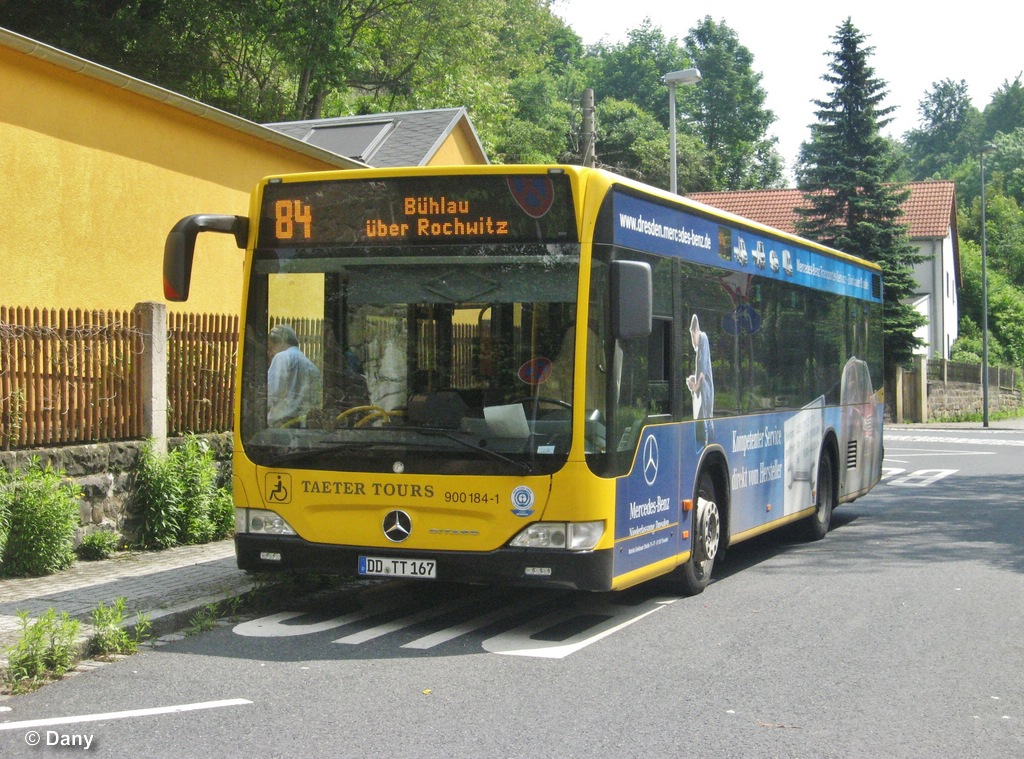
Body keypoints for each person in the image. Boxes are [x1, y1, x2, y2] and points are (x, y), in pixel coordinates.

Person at [267, 324, 322, 427]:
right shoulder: (312, 367)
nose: (270, 353)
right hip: (304, 426)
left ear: (282, 341)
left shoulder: (281, 357)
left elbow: (272, 394)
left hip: (280, 427)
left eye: (271, 348)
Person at [687, 314, 714, 446]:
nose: (693, 339)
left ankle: (706, 441)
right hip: (703, 388)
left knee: (705, 418)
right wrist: (693, 380)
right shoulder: (701, 342)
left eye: (692, 335)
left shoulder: (703, 338)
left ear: (696, 330)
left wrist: (696, 385)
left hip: (705, 388)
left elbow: (703, 369)